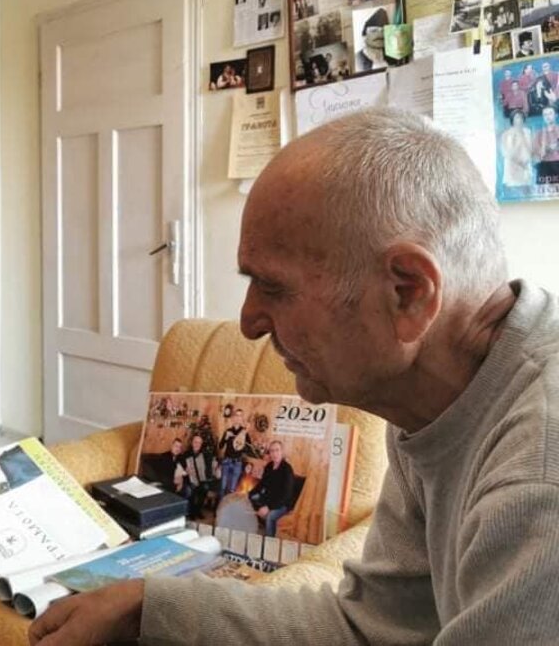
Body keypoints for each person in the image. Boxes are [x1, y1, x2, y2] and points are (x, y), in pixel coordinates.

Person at [28, 107, 559, 645]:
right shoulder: (429, 403)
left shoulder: (538, 477)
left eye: (273, 287)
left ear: (408, 293)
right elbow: (372, 628)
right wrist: (148, 608)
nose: (249, 323)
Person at [247, 441, 295, 537]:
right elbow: (261, 484)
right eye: (272, 451)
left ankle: (269, 540)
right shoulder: (269, 466)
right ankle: (257, 527)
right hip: (269, 498)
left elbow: (286, 495)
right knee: (251, 499)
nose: (274, 453)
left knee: (270, 516)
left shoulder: (287, 469)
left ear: (282, 452)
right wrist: (249, 494)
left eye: (277, 450)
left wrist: (268, 507)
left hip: (283, 503)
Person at [180, 434, 216, 520]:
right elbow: (181, 466)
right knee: (192, 489)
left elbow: (209, 468)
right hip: (190, 479)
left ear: (201, 444)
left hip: (202, 480)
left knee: (205, 488)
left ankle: (197, 510)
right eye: (195, 442)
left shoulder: (205, 455)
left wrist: (214, 467)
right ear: (192, 443)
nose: (197, 444)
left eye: (199, 443)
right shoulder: (186, 454)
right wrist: (185, 469)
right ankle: (192, 512)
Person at [217, 409, 251, 497]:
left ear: (242, 418)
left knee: (232, 489)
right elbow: (220, 446)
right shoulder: (228, 431)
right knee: (223, 487)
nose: (238, 417)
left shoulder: (244, 432)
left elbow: (249, 449)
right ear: (233, 417)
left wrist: (244, 437)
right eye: (236, 415)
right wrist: (226, 437)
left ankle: (228, 505)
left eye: (240, 415)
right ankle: (220, 505)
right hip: (226, 461)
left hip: (237, 463)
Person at [500, 110, 535, 189]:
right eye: (517, 117)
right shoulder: (507, 134)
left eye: (521, 117)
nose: (520, 119)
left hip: (526, 166)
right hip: (513, 167)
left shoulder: (527, 132)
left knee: (526, 187)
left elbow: (530, 149)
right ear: (512, 120)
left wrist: (526, 161)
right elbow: (507, 153)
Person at [355, 7, 389, 72]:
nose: (378, 34)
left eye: (383, 31)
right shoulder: (358, 59)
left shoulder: (390, 55)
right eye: (374, 31)